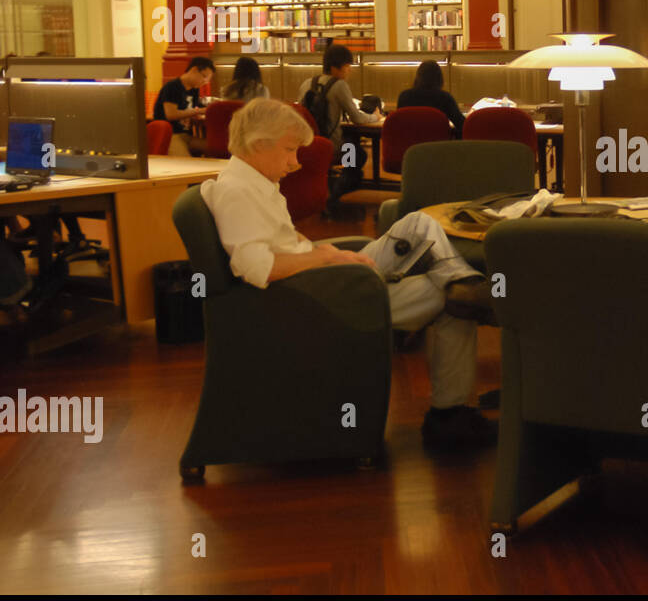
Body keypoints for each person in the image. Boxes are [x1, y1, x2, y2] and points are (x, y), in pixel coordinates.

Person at [201, 98, 496, 447]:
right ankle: (450, 415)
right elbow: (257, 268)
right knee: (451, 299)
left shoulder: (248, 182)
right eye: (289, 151)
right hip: (317, 299)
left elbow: (280, 239)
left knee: (419, 224)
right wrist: (325, 258)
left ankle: (464, 283)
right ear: (258, 144)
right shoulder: (238, 192)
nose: (295, 163)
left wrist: (331, 253)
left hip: (321, 281)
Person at [297, 44, 382, 213]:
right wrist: (376, 117)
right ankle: (336, 191)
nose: (349, 71)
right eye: (347, 67)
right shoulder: (339, 85)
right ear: (336, 68)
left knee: (351, 146)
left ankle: (332, 185)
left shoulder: (307, 83)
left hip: (307, 144)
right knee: (357, 153)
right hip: (333, 146)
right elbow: (357, 118)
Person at [153, 56, 214, 156]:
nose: (205, 82)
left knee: (218, 150)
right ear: (194, 70)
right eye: (204, 76)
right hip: (171, 135)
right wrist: (199, 111)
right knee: (186, 164)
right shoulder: (173, 87)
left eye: (207, 80)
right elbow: (171, 115)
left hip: (187, 135)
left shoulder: (194, 89)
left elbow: (193, 109)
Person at [397, 59, 465, 135]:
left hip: (409, 144)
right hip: (436, 145)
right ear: (439, 78)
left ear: (418, 77)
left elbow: (399, 124)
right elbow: (462, 124)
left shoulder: (404, 97)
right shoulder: (445, 98)